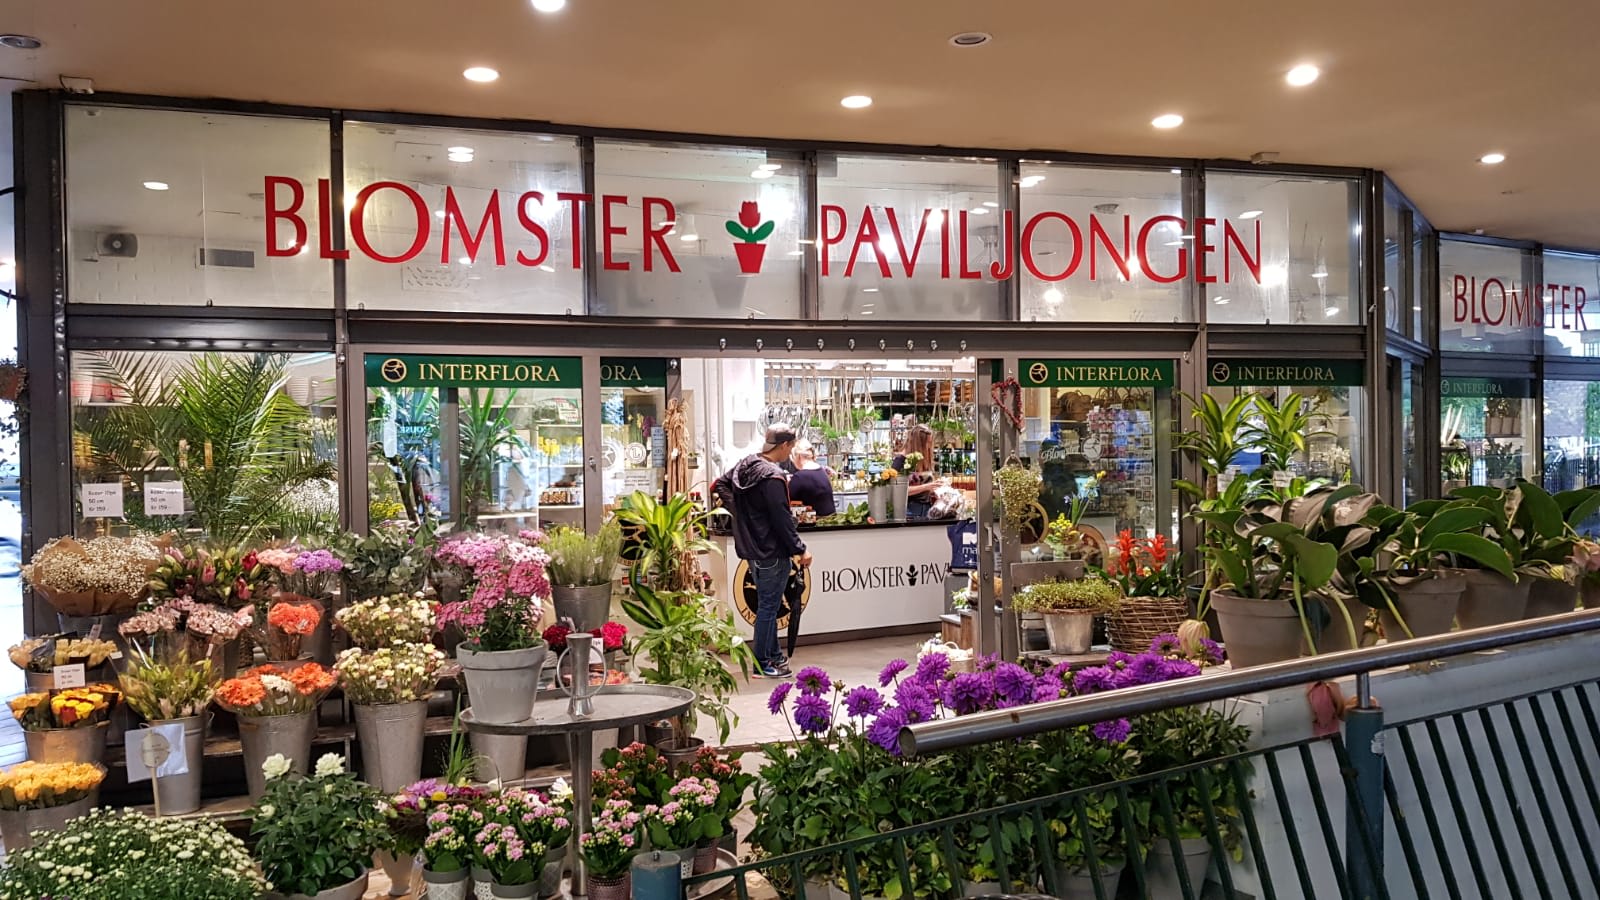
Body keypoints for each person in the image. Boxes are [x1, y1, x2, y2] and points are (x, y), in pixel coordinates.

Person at [729, 423, 811, 677]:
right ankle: (761, 662)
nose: (791, 453)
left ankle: (773, 656)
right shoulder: (773, 476)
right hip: (772, 551)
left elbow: (718, 485)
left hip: (755, 549)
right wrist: (800, 548)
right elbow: (782, 518)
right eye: (791, 447)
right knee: (768, 607)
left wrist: (743, 515)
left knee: (771, 605)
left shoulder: (747, 464)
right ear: (784, 446)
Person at [892, 423, 947, 519]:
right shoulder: (900, 461)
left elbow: (923, 487)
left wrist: (935, 489)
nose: (930, 447)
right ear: (919, 443)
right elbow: (897, 491)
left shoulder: (922, 459)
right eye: (928, 443)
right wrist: (926, 487)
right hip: (910, 512)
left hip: (927, 510)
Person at [786, 440, 836, 517]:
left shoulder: (799, 477)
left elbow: (787, 502)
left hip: (813, 524)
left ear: (798, 456)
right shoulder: (822, 472)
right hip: (829, 520)